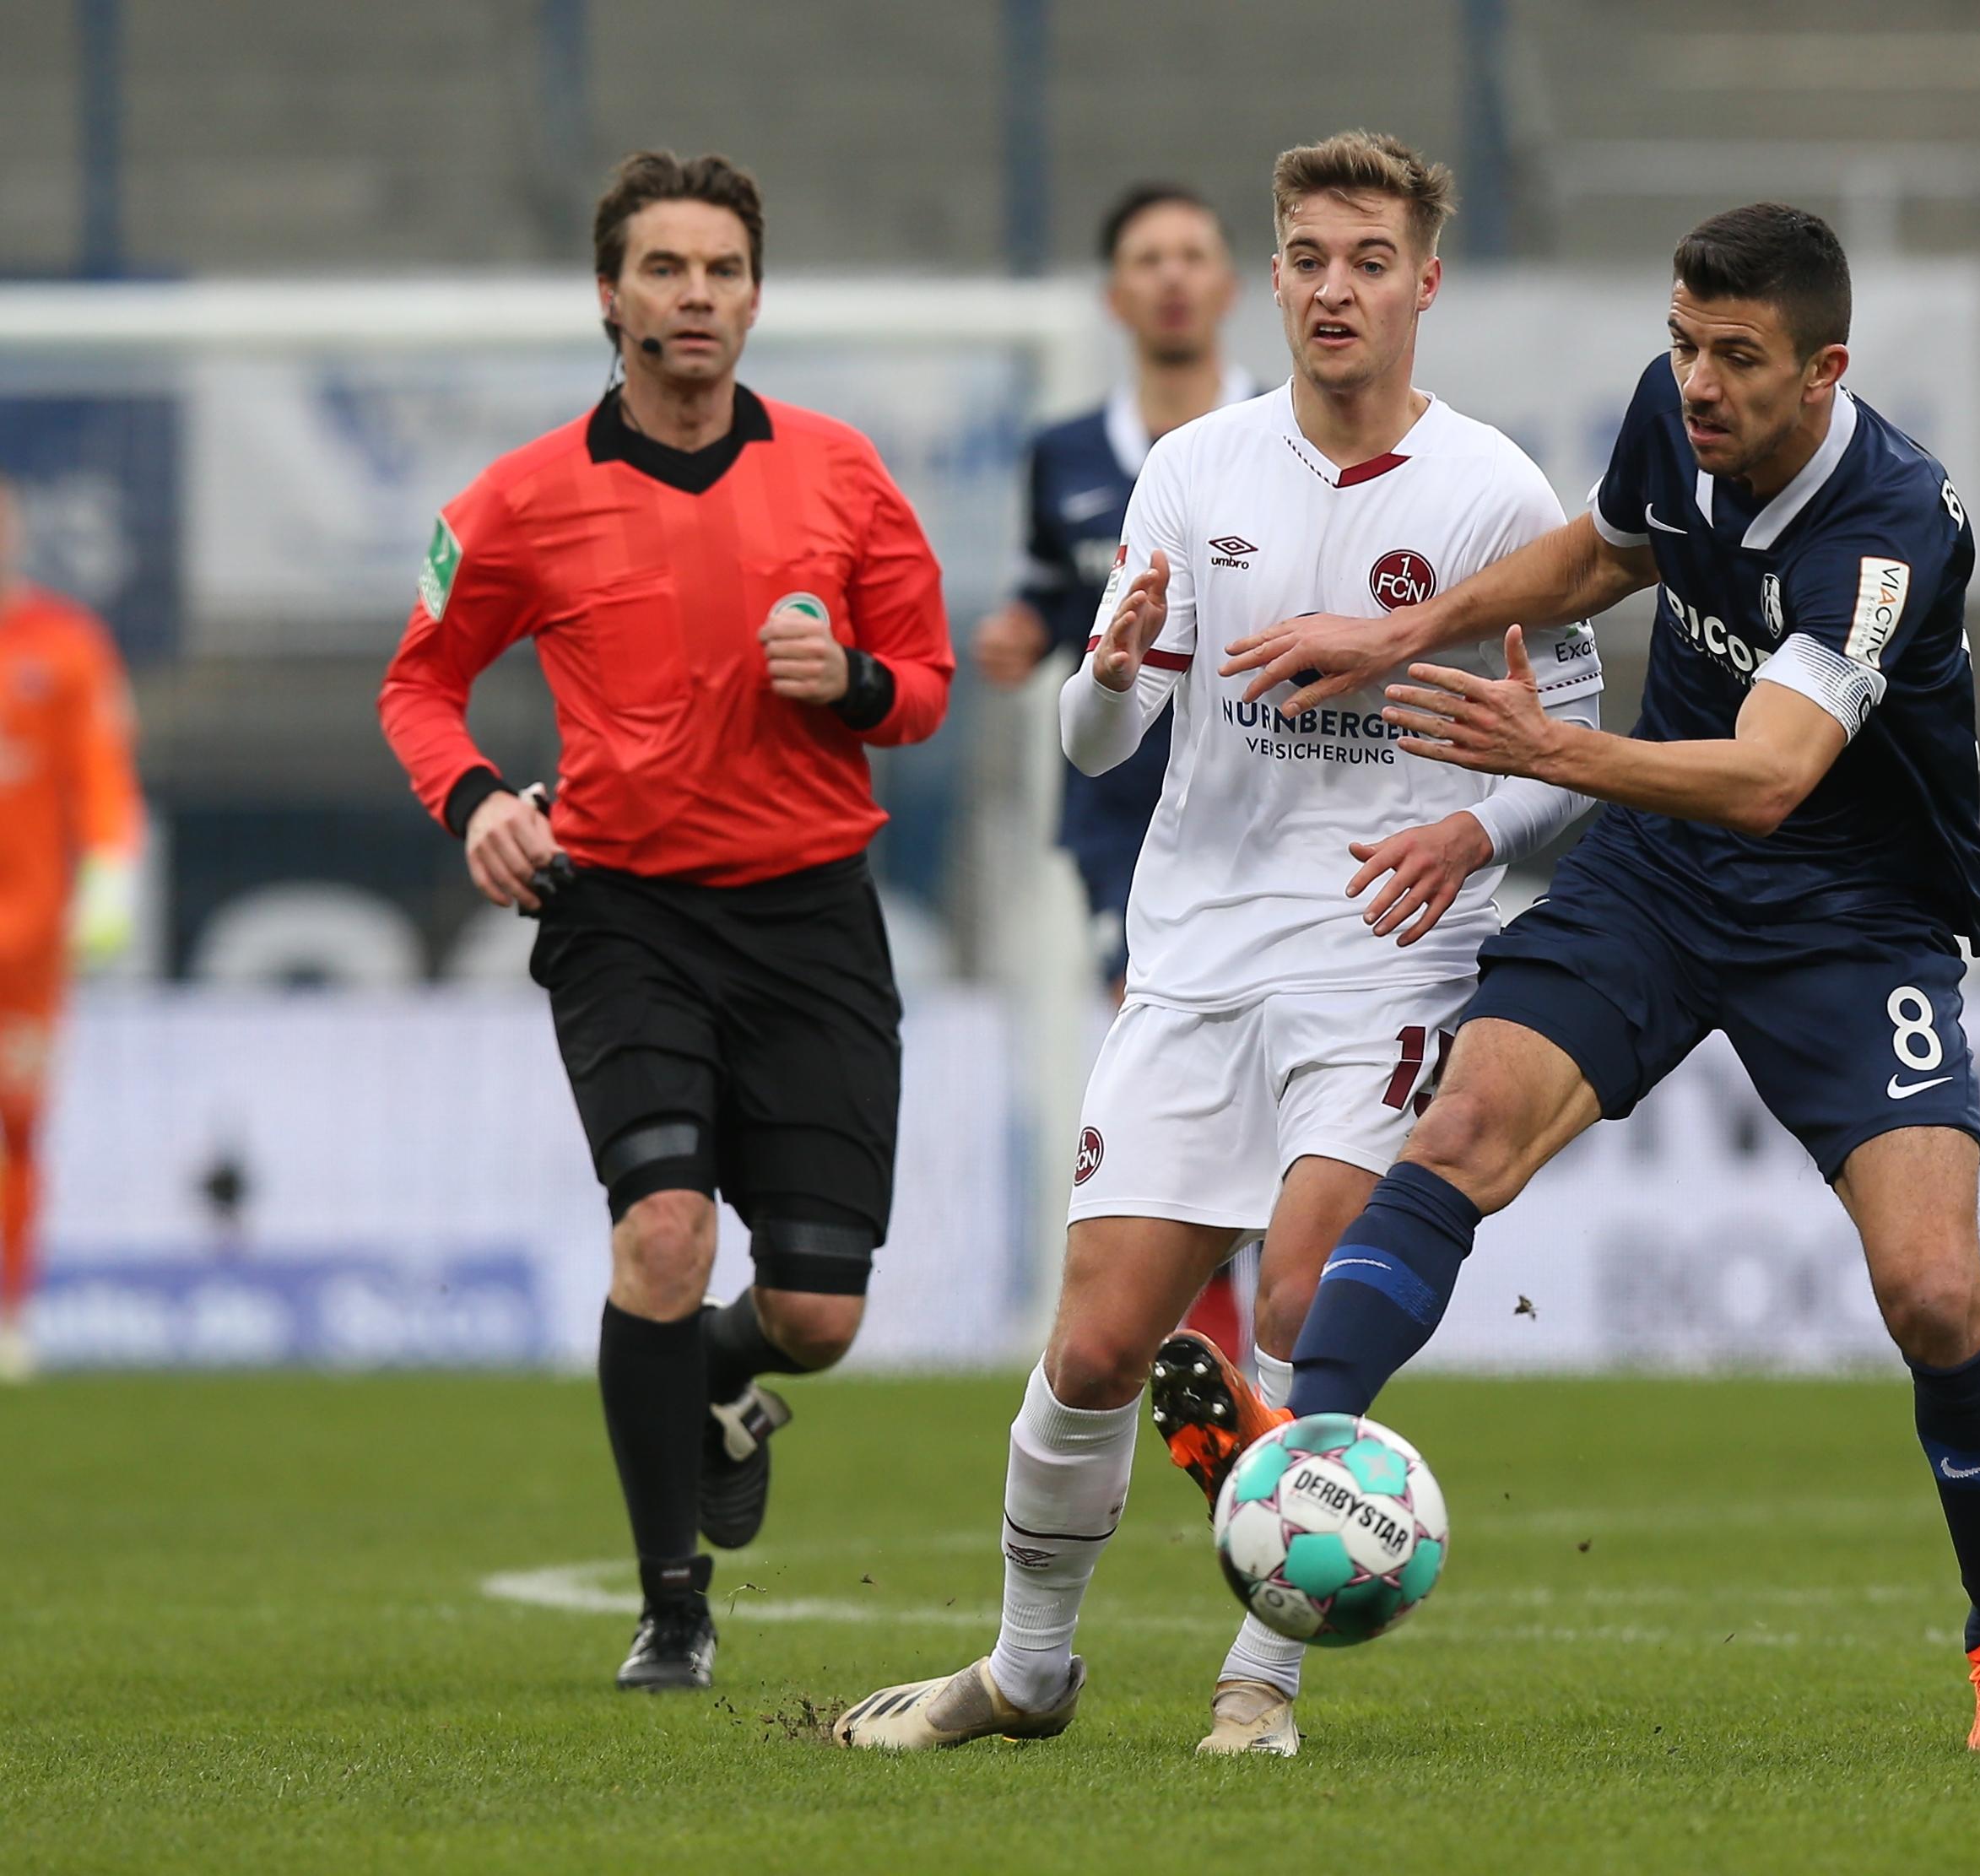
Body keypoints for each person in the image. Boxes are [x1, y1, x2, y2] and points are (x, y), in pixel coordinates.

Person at [1147, 203, 1980, 1753]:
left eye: (1740, 359)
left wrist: (1546, 751)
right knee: (1459, 1137)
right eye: (1685, 344)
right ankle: (1300, 1450)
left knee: (1933, 1289)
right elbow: (1601, 553)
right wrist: (1409, 630)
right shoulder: (1680, 416)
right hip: (1661, 871)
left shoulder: (1891, 528)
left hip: (1850, 911)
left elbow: (1774, 776)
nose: (1701, 383)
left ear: (1825, 369)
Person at [831, 130, 1604, 1760]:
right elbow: (1101, 745)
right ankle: (1027, 1671)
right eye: (1310, 257)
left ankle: (1261, 1682)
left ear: (1425, 285)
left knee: (1314, 1298)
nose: (1337, 287)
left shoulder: (1496, 494)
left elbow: (1573, 747)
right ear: (1277, 276)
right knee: (1102, 1342)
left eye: (1370, 259)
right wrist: (1108, 673)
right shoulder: (1196, 467)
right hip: (1191, 956)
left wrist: (1471, 831)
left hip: (1386, 954)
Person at [377, 150, 954, 1689]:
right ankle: (674, 1607)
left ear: (755, 297)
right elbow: (419, 682)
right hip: (622, 912)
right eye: (664, 269)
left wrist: (856, 683)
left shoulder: (842, 472)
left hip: (812, 916)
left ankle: (711, 1375)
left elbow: (928, 683)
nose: (694, 296)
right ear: (610, 295)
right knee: (662, 1230)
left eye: (720, 271)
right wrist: (480, 799)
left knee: (819, 1310)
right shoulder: (515, 499)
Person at [971, 182, 1258, 1358]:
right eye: (1150, 257)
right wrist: (1029, 629)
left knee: (1277, 1096)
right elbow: (1062, 585)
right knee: (1169, 1088)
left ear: (1233, 283)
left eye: (1195, 253)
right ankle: (1215, 1359)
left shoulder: (1282, 434)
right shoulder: (1067, 455)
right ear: (1116, 294)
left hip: (1270, 816)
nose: (1175, 275)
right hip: (1125, 828)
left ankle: (1249, 1341)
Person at [0, 474, 144, 1383]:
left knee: (15, 1123)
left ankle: (8, 1311)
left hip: (26, 939)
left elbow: (101, 775)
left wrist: (110, 875)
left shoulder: (62, 642)